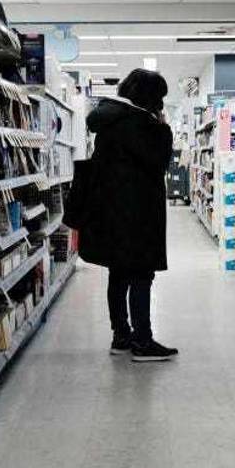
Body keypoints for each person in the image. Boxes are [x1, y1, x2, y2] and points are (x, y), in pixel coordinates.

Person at [78, 69, 179, 362]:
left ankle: (121, 336)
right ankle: (143, 341)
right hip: (139, 213)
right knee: (141, 274)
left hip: (111, 212)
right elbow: (158, 163)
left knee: (118, 273)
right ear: (151, 98)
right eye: (159, 97)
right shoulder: (144, 126)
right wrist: (163, 129)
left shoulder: (109, 122)